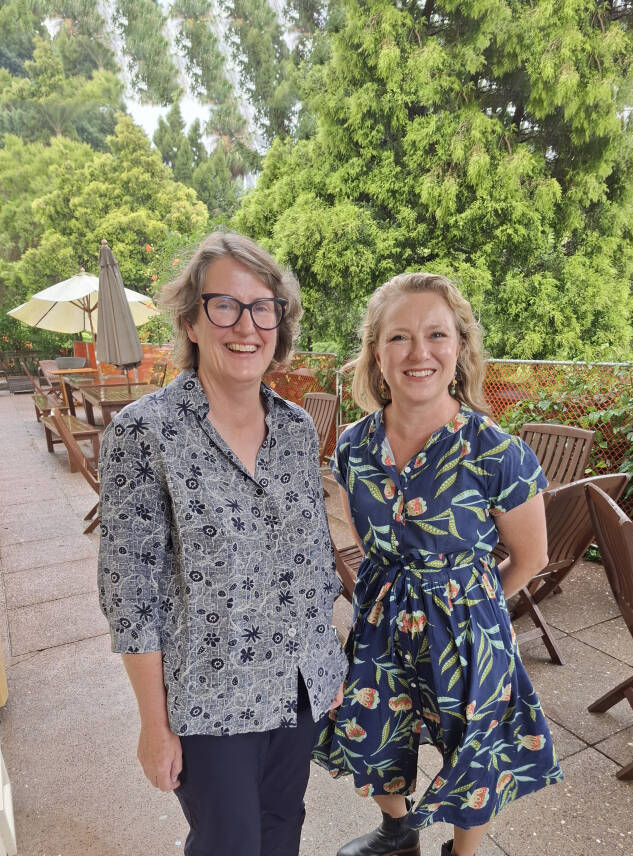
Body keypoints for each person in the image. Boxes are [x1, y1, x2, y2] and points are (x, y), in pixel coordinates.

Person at [98, 230, 347, 856]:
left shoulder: (295, 428)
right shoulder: (143, 432)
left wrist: (327, 660)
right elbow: (130, 596)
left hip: (297, 687)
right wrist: (153, 724)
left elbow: (312, 559)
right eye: (225, 305)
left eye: (263, 308)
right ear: (191, 320)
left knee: (283, 829)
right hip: (211, 701)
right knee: (227, 844)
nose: (246, 325)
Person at [313, 273, 563, 856]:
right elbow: (365, 539)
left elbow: (532, 556)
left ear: (460, 347)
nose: (418, 352)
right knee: (375, 732)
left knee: (473, 752)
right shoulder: (352, 446)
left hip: (468, 627)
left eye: (436, 334)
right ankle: (398, 833)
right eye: (399, 337)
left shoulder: (496, 451)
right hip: (380, 620)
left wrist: (475, 608)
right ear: (377, 352)